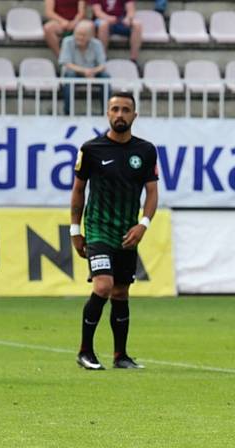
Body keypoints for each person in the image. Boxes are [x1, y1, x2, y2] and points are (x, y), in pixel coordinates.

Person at [70, 92, 159, 371]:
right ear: (107, 114)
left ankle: (120, 356)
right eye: (115, 109)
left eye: (125, 110)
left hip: (127, 231)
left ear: (134, 115)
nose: (120, 114)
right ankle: (85, 351)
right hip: (98, 229)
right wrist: (75, 230)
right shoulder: (91, 149)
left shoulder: (146, 151)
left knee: (121, 292)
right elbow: (78, 190)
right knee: (104, 286)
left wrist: (143, 224)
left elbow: (152, 192)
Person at [58, 20, 109, 116]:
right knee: (69, 77)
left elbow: (103, 65)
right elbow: (66, 63)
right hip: (75, 72)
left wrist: (92, 72)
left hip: (93, 72)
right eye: (77, 34)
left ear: (90, 36)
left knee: (106, 77)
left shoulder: (97, 44)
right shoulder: (67, 41)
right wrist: (85, 71)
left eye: (83, 35)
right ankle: (67, 112)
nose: (79, 38)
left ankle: (106, 112)